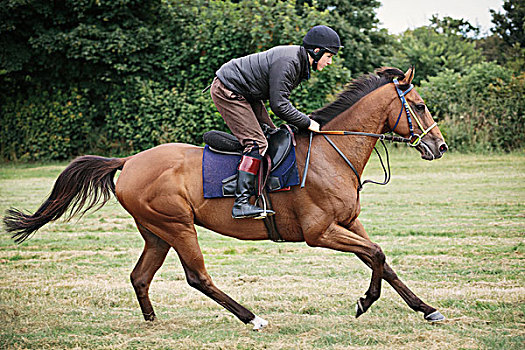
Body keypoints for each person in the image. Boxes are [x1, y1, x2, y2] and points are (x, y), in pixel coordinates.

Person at [210, 25, 343, 219]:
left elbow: (280, 102)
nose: (330, 62)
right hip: (229, 90)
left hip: (246, 93)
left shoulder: (298, 61)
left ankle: (261, 186)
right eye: (329, 56)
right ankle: (241, 203)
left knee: (273, 136)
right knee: (257, 143)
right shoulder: (289, 62)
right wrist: (307, 122)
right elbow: (279, 105)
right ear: (317, 51)